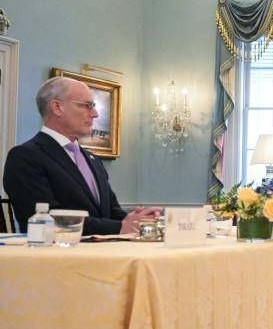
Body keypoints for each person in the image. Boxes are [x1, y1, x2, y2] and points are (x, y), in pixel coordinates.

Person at [3, 76, 159, 235]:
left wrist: (137, 220)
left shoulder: (93, 159)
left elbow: (111, 212)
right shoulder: (24, 157)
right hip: (58, 250)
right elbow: (46, 219)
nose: (95, 114)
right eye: (87, 106)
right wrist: (119, 227)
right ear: (57, 107)